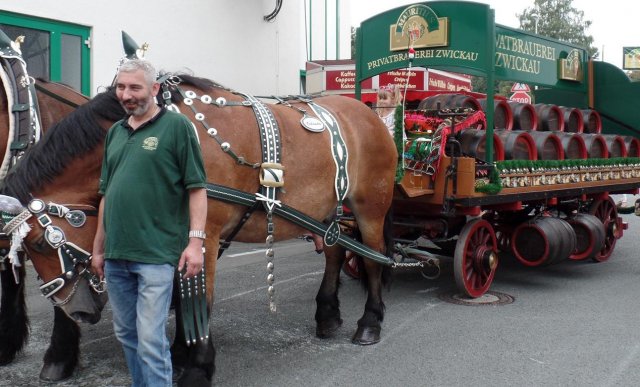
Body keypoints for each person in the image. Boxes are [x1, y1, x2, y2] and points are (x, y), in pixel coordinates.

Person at [91, 59, 207, 387]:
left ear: (154, 89)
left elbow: (197, 189)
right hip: (116, 257)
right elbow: (107, 195)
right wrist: (98, 249)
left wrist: (195, 243)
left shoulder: (177, 127)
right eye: (120, 87)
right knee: (126, 333)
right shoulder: (116, 132)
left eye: (134, 87)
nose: (126, 94)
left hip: (155, 256)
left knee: (150, 339)